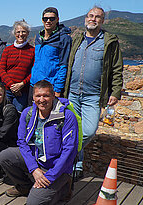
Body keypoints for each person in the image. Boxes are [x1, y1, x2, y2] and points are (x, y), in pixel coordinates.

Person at [64, 6, 123, 177]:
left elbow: (117, 69)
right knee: (72, 129)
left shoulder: (109, 42)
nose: (93, 19)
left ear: (102, 21)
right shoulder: (77, 40)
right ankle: (77, 165)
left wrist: (115, 91)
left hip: (93, 96)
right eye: (90, 16)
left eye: (97, 17)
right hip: (72, 94)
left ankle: (66, 155)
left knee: (88, 130)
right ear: (85, 18)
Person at [0, 80, 78, 204]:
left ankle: (63, 189)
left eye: (46, 95)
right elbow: (22, 142)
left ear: (53, 96)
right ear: (33, 97)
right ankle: (25, 186)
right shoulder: (28, 113)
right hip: (37, 162)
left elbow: (69, 151)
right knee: (5, 156)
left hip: (57, 168)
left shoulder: (66, 116)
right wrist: (34, 169)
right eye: (38, 96)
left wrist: (50, 176)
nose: (42, 100)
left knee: (33, 203)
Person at [29, 7, 72, 99]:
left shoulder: (64, 39)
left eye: (52, 19)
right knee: (32, 112)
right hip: (34, 85)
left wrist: (58, 89)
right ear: (42, 20)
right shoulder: (38, 37)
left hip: (49, 87)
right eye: (45, 19)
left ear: (57, 19)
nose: (48, 21)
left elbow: (63, 65)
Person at [0, 20, 34, 112]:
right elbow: (1, 70)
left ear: (28, 33)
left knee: (18, 115)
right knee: (4, 114)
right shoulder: (7, 50)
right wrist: (12, 86)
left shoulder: (32, 51)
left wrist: (22, 84)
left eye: (23, 31)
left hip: (23, 92)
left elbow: (33, 71)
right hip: (7, 90)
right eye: (18, 32)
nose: (21, 34)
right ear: (14, 33)